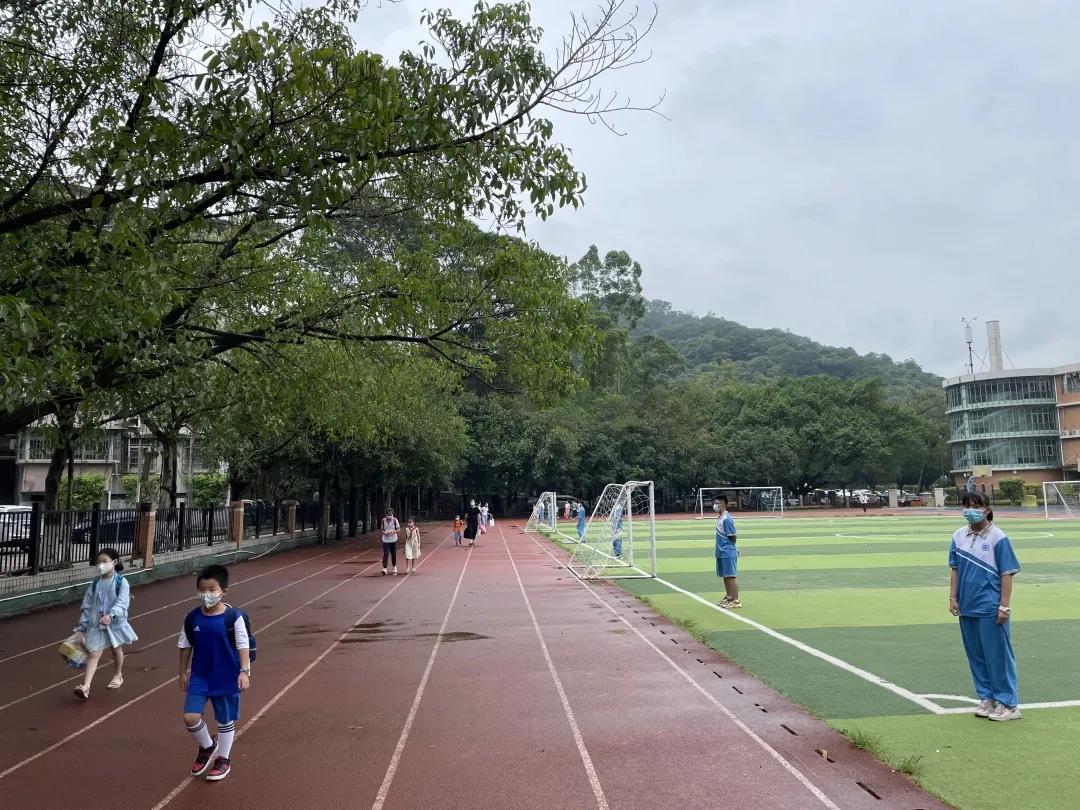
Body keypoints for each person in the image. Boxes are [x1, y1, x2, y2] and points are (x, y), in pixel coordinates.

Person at [949, 491, 1021, 721]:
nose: (970, 510)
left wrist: (1004, 606)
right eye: (966, 506)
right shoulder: (958, 536)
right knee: (976, 656)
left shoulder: (998, 537)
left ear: (987, 509)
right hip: (966, 606)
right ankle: (986, 697)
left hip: (990, 606)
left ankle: (1008, 704)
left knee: (998, 656)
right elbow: (955, 569)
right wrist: (952, 597)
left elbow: (1007, 573)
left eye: (975, 506)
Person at [179, 564, 251, 782]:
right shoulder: (192, 618)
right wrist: (182, 673)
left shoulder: (233, 617)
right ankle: (208, 746)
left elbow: (243, 645)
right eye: (202, 590)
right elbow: (185, 645)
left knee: (224, 719)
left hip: (226, 675)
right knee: (190, 717)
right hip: (200, 676)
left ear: (223, 591)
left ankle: (223, 759)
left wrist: (244, 671)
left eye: (212, 590)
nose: (206, 594)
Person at [72, 548, 137, 700]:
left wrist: (111, 615)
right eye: (99, 562)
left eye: (104, 561)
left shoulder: (121, 582)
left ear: (114, 562)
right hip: (97, 623)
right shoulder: (96, 583)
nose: (101, 565)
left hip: (114, 624)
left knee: (116, 650)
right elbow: (87, 604)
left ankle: (118, 675)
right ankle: (86, 687)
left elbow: (122, 603)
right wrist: (83, 625)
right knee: (94, 653)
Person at [714, 496, 741, 609]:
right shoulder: (720, 518)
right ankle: (729, 597)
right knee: (725, 576)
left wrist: (732, 548)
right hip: (721, 551)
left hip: (727, 551)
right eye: (715, 503)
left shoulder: (727, 519)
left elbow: (733, 536)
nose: (715, 505)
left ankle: (736, 600)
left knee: (731, 576)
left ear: (724, 504)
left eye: (717, 503)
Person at [380, 508, 400, 575]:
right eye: (388, 515)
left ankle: (394, 567)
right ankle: (385, 568)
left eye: (391, 515)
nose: (389, 516)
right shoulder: (383, 520)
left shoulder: (395, 520)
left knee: (393, 554)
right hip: (385, 539)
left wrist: (393, 532)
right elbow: (382, 529)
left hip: (393, 539)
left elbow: (398, 529)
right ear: (386, 514)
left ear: (393, 514)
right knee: (385, 554)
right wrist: (384, 532)